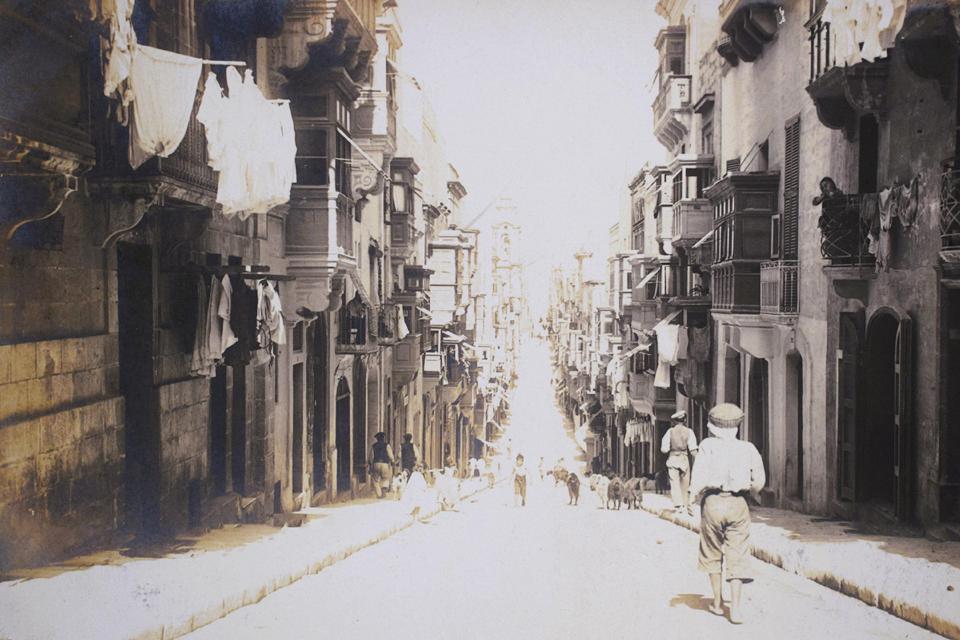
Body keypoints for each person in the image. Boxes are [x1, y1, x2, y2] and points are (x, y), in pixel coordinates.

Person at [689, 403, 766, 625]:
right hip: (738, 504)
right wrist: (750, 490)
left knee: (712, 551)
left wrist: (692, 497)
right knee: (738, 554)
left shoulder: (707, 445)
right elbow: (759, 481)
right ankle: (736, 609)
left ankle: (716, 602)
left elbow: (699, 476)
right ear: (736, 426)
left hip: (712, 503)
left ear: (713, 426)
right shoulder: (748, 448)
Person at [660, 410, 698, 514]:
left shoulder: (670, 432)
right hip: (684, 459)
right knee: (685, 482)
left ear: (674, 421)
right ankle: (685, 504)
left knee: (674, 482)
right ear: (684, 420)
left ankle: (679, 505)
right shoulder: (689, 432)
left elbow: (664, 449)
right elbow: (693, 449)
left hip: (672, 458)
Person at [369, 432, 394, 499]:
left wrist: (370, 465)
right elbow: (390, 455)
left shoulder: (373, 446)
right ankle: (383, 492)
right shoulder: (387, 445)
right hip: (385, 464)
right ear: (383, 438)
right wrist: (392, 461)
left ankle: (379, 494)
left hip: (376, 464)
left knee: (375, 480)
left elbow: (371, 457)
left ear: (377, 439)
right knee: (385, 478)